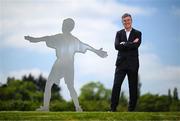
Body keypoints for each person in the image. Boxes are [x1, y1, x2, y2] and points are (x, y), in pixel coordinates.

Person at [25, 18, 108, 112]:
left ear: (66, 27)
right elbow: (86, 46)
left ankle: (46, 107)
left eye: (63, 24)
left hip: (60, 63)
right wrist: (97, 51)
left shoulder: (60, 37)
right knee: (70, 86)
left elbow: (45, 38)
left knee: (49, 84)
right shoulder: (74, 40)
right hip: (69, 64)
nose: (62, 26)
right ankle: (78, 107)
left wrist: (33, 39)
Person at [110, 13, 142, 112]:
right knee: (116, 85)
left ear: (131, 21)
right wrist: (131, 43)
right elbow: (116, 46)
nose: (126, 22)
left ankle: (131, 109)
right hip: (121, 63)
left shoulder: (138, 33)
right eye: (124, 20)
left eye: (128, 20)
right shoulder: (118, 33)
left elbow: (136, 46)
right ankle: (113, 109)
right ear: (122, 22)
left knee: (133, 87)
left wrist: (124, 44)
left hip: (133, 64)